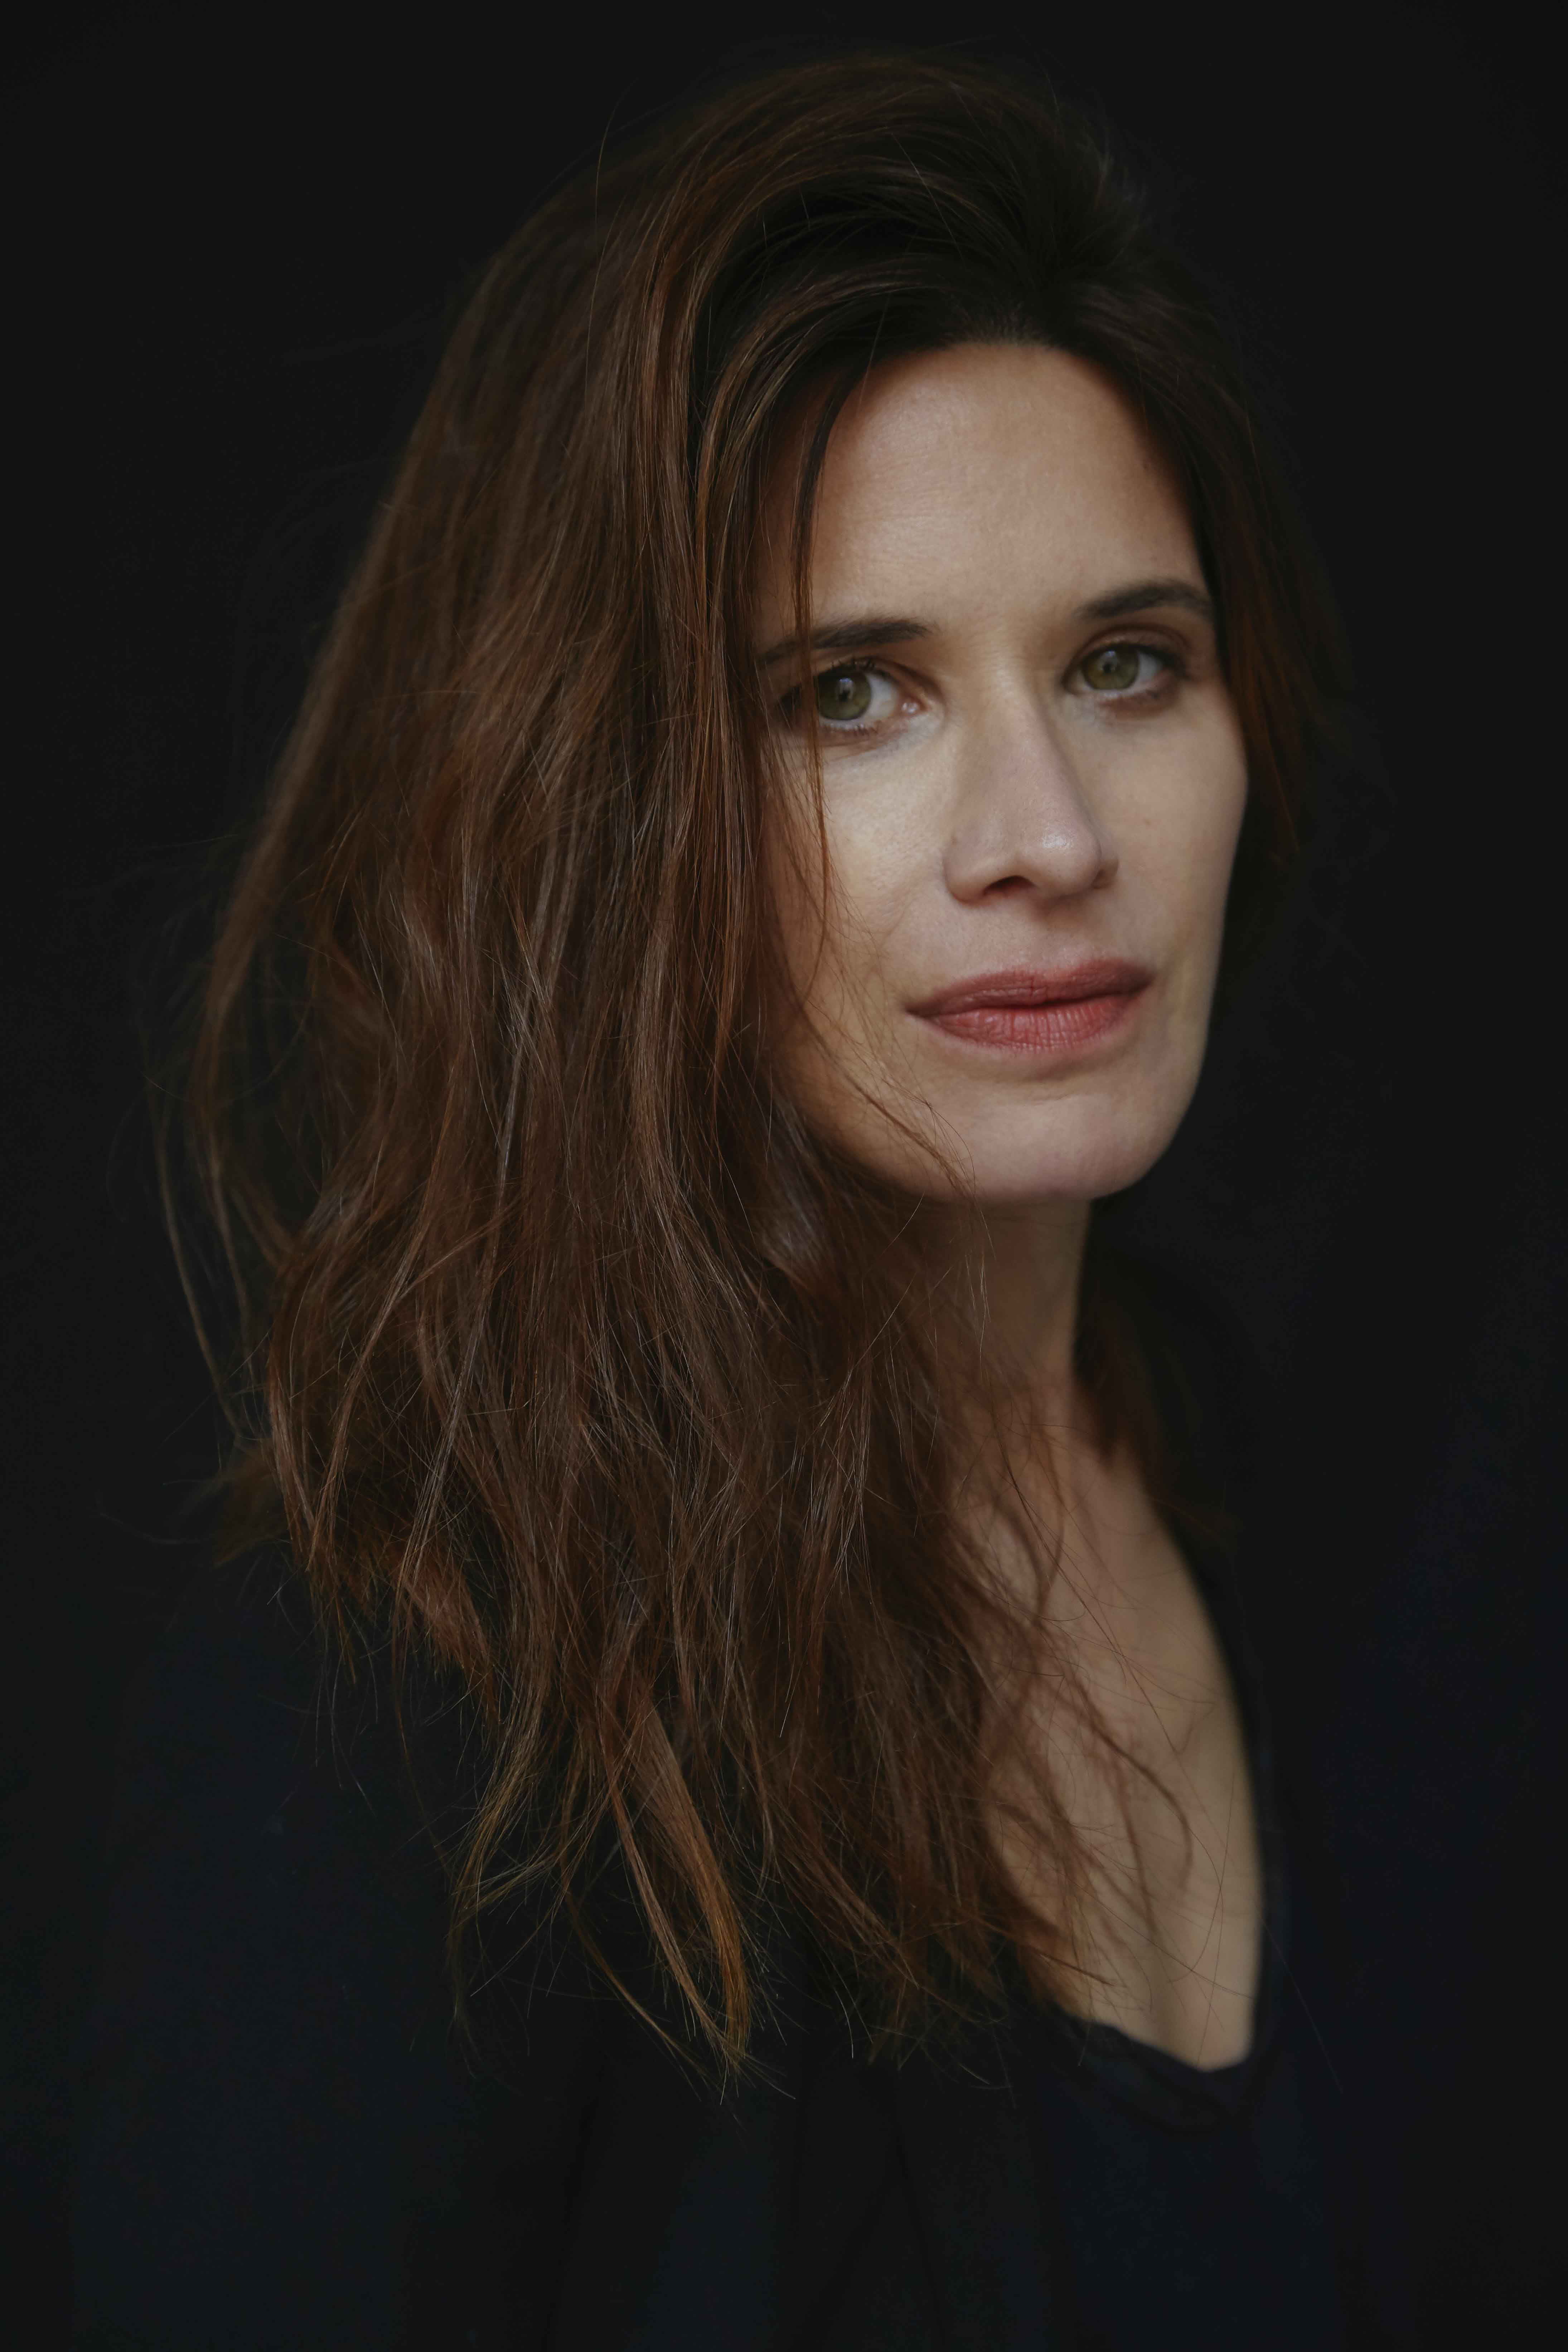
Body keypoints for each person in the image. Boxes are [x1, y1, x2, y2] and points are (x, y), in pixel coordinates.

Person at [72, 49, 1389, 2349]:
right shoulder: (423, 1701)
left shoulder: (1281, 1479)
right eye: (853, 696)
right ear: (610, 810)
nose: (1050, 834)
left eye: (1125, 664)